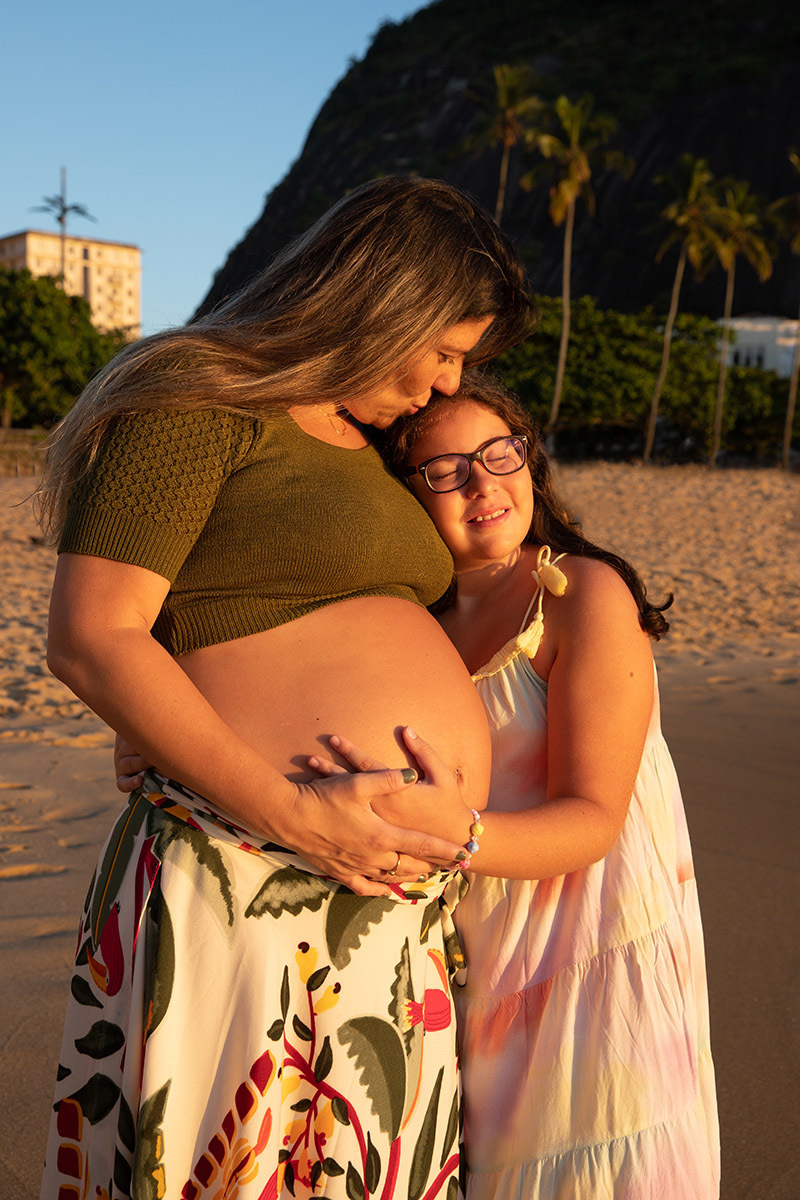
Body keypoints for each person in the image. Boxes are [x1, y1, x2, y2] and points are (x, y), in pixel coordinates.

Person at [37, 178, 533, 1200]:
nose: (445, 384)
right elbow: (93, 636)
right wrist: (297, 816)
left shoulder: (377, 452)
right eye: (441, 350)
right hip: (247, 860)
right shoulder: (197, 396)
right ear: (379, 299)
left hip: (383, 903)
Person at [309, 373, 720, 1198]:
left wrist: (450, 833)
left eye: (500, 454)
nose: (483, 482)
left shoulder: (582, 594)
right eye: (444, 469)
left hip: (598, 962)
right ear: (407, 497)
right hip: (485, 970)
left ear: (530, 460)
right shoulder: (411, 627)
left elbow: (596, 819)